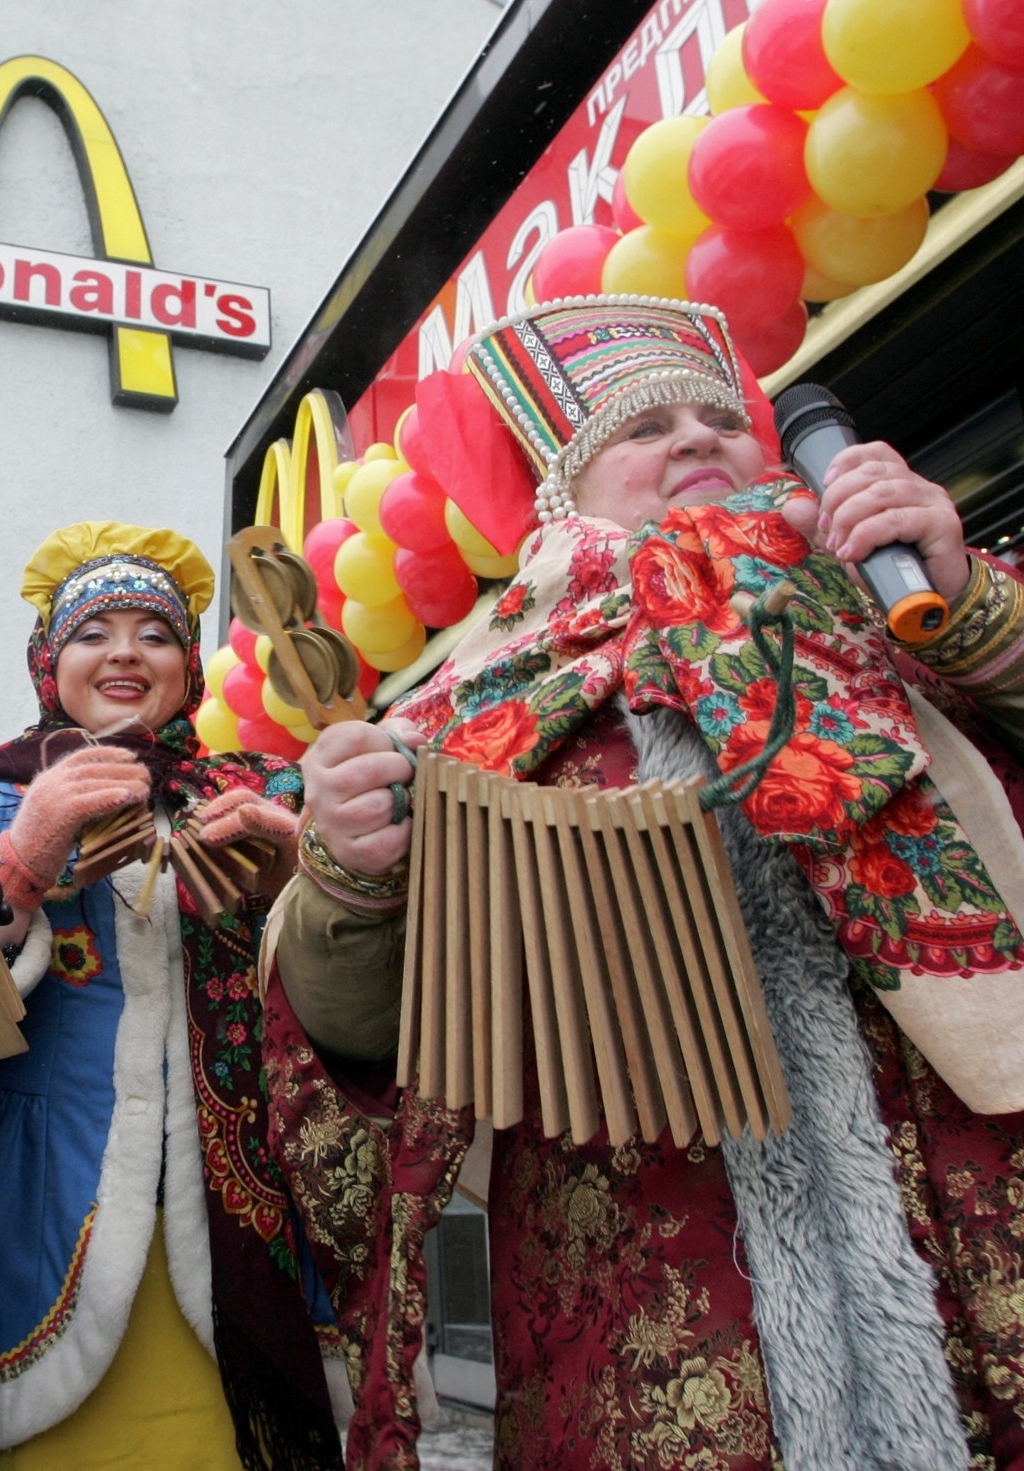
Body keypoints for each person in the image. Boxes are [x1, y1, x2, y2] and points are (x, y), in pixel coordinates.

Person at [268, 295, 1024, 1471]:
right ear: (563, 496)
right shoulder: (462, 704)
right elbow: (354, 1029)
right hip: (642, 1268)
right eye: (641, 430)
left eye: (720, 419)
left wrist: (977, 611)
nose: (694, 440)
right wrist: (345, 883)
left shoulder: (906, 607)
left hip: (973, 1207)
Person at [0, 523, 351, 1471]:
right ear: (46, 660)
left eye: (153, 632)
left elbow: (346, 1007)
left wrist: (300, 882)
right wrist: (25, 856)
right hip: (34, 1205)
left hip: (235, 1213)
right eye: (92, 631)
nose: (123, 654)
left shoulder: (255, 793)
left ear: (188, 665)